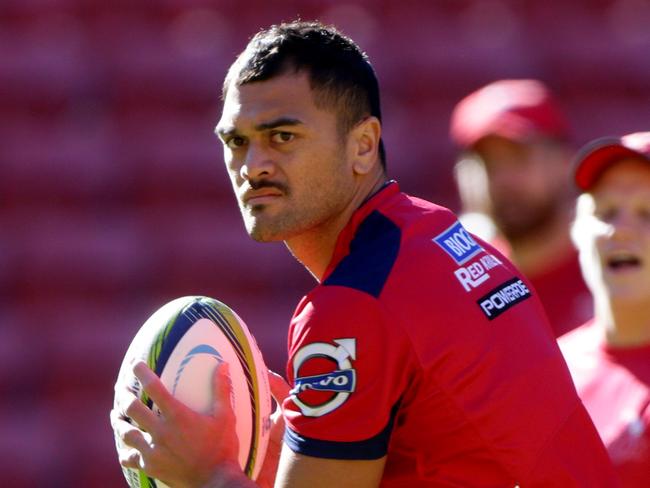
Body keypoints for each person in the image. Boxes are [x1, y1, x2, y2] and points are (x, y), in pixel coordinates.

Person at [111, 21, 617, 487]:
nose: (253, 165)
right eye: (236, 141)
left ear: (362, 146)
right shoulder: (439, 233)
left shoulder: (352, 305)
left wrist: (206, 476)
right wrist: (283, 451)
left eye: (282, 136)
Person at [450, 79, 592, 337]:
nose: (503, 179)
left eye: (518, 158)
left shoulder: (615, 268)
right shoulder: (451, 282)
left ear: (564, 161)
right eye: (487, 163)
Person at [558, 132, 650, 486]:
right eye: (606, 212)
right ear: (576, 231)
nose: (620, 232)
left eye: (647, 213)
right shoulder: (551, 367)